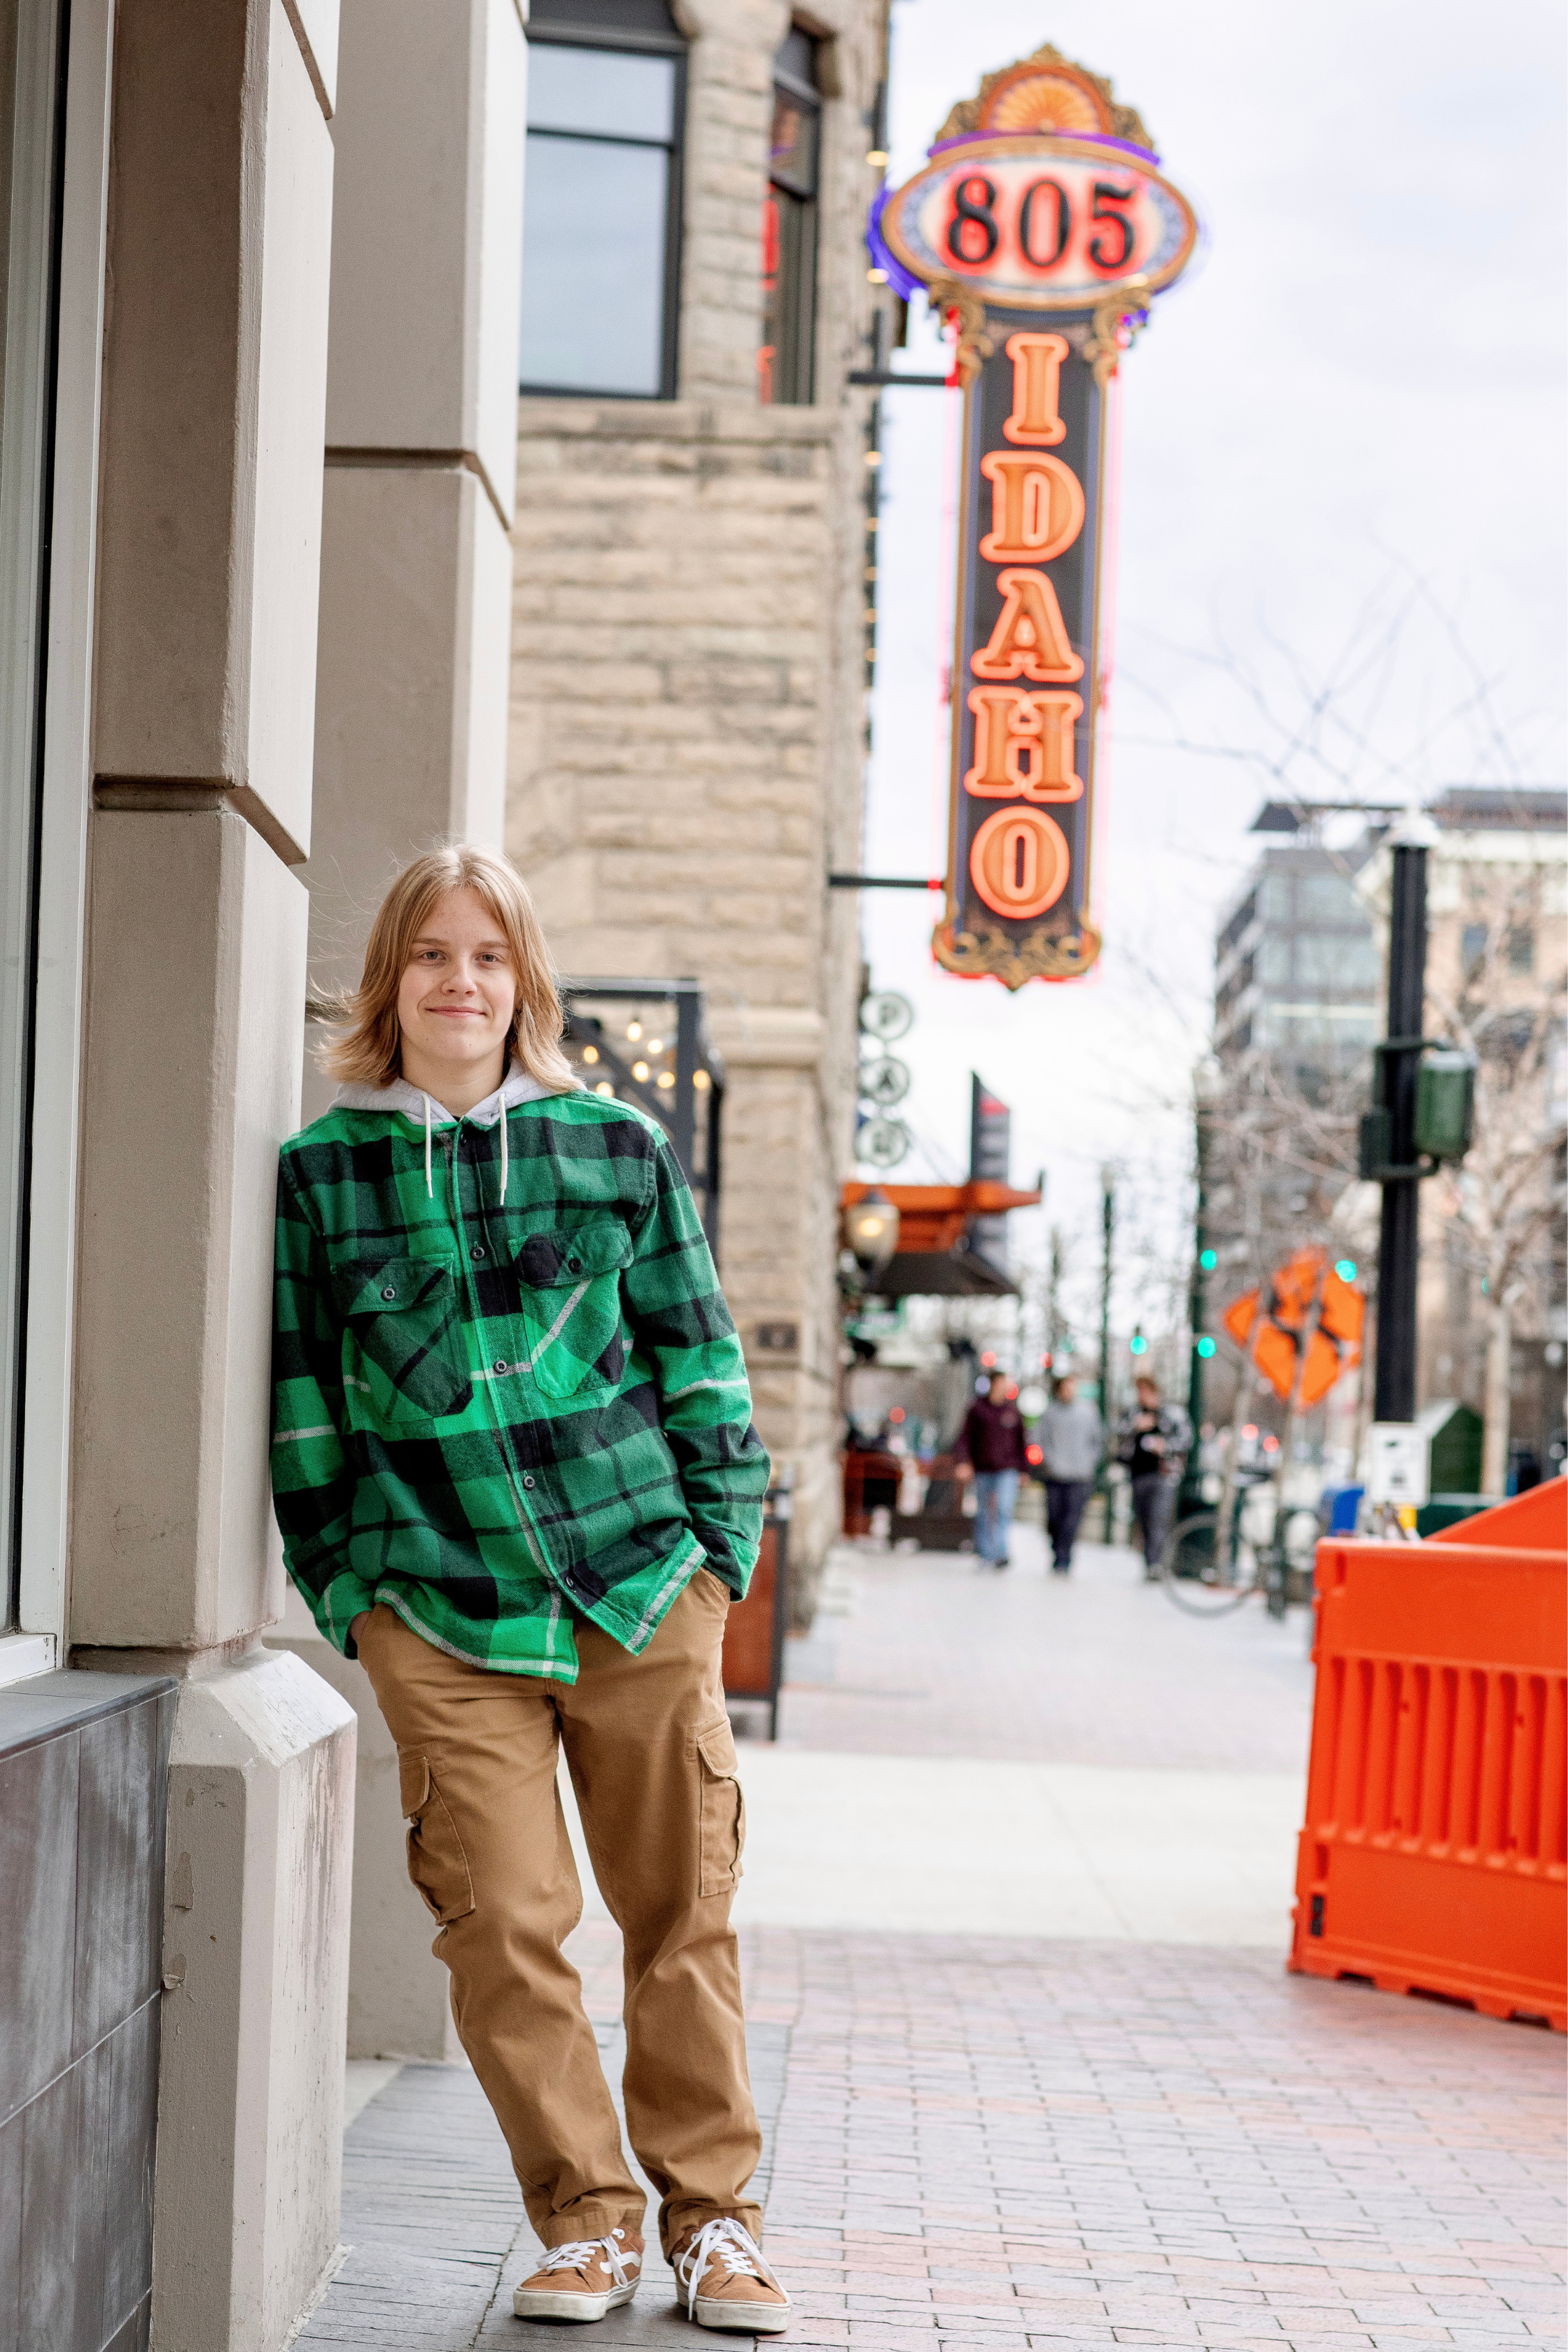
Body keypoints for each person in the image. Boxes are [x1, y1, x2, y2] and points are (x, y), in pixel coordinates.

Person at [271, 846, 789, 2333]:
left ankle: (715, 2227)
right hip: (440, 1612)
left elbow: (701, 1365)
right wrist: (353, 1598)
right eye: (433, 954)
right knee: (499, 1922)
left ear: (526, 984)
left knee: (680, 1921)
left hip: (636, 1593)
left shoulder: (614, 1148)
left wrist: (715, 1567)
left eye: (489, 957)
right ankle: (586, 2222)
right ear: (392, 982)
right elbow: (305, 1415)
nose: (462, 982)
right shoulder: (324, 1175)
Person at [1115, 1375, 1192, 1579]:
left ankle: (1156, 1564)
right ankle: (1150, 1561)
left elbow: (1187, 1439)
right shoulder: (1133, 1414)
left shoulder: (1172, 1414)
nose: (1142, 1396)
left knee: (1159, 1518)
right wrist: (1135, 1427)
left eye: (1146, 1391)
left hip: (1164, 1473)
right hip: (1138, 1473)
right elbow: (1116, 1433)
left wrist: (1165, 1446)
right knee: (1144, 1519)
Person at [953, 1371, 1029, 1569]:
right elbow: (965, 1437)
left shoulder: (1013, 1411)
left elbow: (1022, 1442)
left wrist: (1024, 1470)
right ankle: (985, 1553)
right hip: (983, 1468)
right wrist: (963, 1461)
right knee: (985, 1511)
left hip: (1008, 1469)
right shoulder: (977, 1409)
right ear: (994, 1384)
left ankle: (1001, 1552)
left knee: (1004, 1509)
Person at [1033, 1373, 1103, 1573]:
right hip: (1055, 1474)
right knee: (1054, 1516)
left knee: (1072, 1518)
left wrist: (1090, 1462)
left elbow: (1098, 1441)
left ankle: (1064, 1558)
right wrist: (1048, 1460)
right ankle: (1057, 1548)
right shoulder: (1050, 1413)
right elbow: (1039, 1439)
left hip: (1080, 1475)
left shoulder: (1089, 1413)